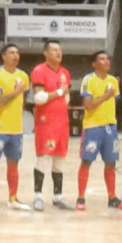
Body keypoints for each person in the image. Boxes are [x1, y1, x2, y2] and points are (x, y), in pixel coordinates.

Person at [0, 43, 31, 213]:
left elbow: (22, 102)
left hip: (16, 128)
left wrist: (18, 93)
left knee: (14, 163)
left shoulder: (23, 76)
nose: (15, 56)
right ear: (3, 56)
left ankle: (13, 198)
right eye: (11, 53)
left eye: (17, 53)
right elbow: (0, 101)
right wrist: (16, 91)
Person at [30, 40, 74, 211]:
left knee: (60, 159)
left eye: (60, 50)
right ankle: (38, 196)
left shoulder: (65, 73)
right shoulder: (39, 71)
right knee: (43, 157)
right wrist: (60, 92)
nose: (58, 53)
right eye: (54, 50)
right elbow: (39, 98)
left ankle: (58, 197)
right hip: (45, 123)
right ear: (46, 53)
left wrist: (62, 96)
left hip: (62, 122)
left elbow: (67, 99)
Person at [76, 50, 121, 211]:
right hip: (92, 127)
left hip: (110, 126)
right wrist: (106, 95)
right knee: (86, 161)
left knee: (111, 162)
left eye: (108, 59)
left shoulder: (113, 81)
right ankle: (80, 198)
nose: (106, 61)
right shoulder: (88, 80)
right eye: (102, 59)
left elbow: (115, 103)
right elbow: (88, 105)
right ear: (94, 64)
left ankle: (112, 197)